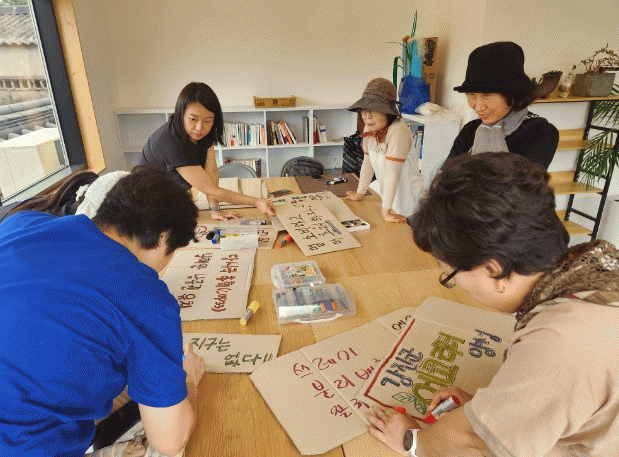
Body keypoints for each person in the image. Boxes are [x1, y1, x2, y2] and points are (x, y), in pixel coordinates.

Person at [365, 152, 619, 456]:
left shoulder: (560, 342)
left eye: (450, 274)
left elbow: (478, 442)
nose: (455, 282)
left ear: (493, 269)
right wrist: (493, 406)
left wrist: (413, 441)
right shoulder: (594, 268)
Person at [0, 166, 206, 457]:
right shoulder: (146, 296)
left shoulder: (20, 224)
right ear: (163, 238)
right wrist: (189, 380)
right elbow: (169, 441)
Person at [139, 82, 275, 220]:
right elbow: (210, 190)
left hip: (172, 197)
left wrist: (214, 209)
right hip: (148, 206)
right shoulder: (171, 142)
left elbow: (212, 172)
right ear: (181, 114)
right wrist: (256, 202)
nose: (200, 127)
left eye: (208, 121)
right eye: (193, 119)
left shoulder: (205, 133)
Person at [448, 41, 559, 169]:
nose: (477, 107)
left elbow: (527, 181)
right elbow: (447, 173)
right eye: (472, 94)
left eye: (487, 95)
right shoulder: (471, 129)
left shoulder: (541, 133)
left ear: (512, 95)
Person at [345, 78, 425, 223]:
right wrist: (360, 193)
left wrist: (386, 212)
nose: (367, 117)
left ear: (387, 112)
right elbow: (367, 163)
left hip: (410, 203)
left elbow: (392, 172)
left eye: (373, 111)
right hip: (390, 199)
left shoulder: (398, 131)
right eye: (364, 110)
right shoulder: (370, 129)